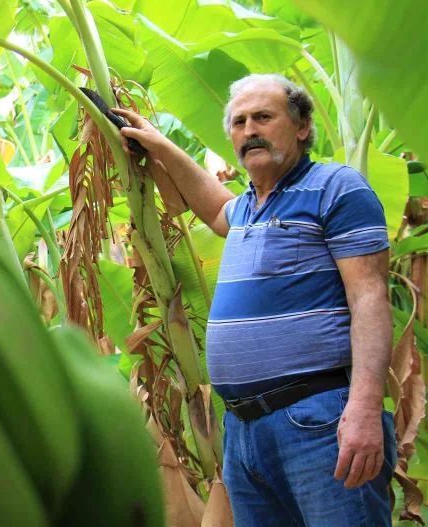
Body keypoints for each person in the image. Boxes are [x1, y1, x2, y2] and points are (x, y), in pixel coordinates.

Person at [113, 74, 396, 526]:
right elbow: (213, 206)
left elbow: (369, 298)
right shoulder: (246, 207)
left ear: (302, 126)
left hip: (319, 420)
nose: (250, 131)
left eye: (263, 117)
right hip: (244, 431)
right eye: (239, 122)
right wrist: (158, 145)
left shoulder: (335, 188)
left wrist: (364, 408)